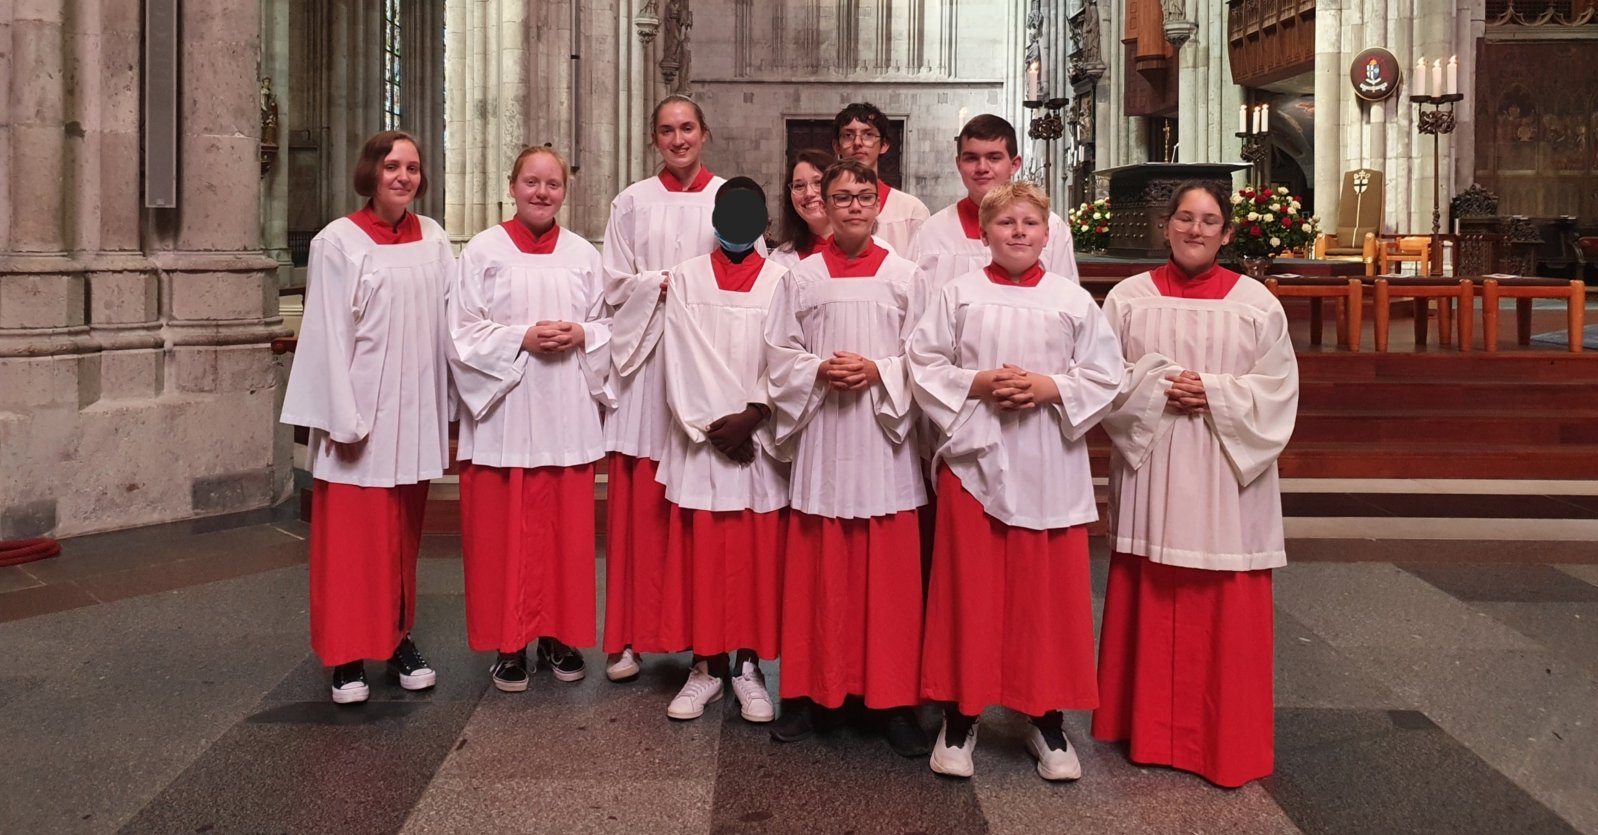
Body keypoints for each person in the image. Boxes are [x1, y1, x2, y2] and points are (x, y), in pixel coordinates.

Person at [907, 181, 1123, 780]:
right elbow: (922, 364)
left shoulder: (1073, 300)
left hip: (1048, 462)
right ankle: (960, 714)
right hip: (973, 464)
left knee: (1044, 597)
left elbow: (1107, 375)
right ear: (984, 232)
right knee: (968, 590)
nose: (1019, 233)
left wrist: (1048, 387)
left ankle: (1045, 718)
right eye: (1007, 224)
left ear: (1048, 235)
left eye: (1030, 223)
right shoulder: (957, 294)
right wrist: (979, 383)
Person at [1092, 180, 1299, 788]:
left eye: (1209, 221)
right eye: (1185, 218)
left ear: (1228, 232)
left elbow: (1279, 390)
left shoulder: (1257, 302)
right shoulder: (1128, 298)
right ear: (1166, 226)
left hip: (1225, 470)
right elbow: (1102, 378)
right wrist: (1159, 386)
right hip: (1154, 462)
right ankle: (1147, 731)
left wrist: (1213, 391)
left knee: (1224, 598)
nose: (1195, 230)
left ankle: (1222, 737)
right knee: (1151, 588)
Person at [281, 130, 453, 705]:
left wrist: (450, 405)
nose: (403, 177)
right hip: (359, 414)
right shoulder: (338, 241)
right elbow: (327, 335)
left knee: (401, 536)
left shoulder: (433, 237)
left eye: (412, 167)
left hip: (415, 411)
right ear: (371, 173)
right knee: (352, 540)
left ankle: (397, 637)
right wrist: (343, 418)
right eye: (392, 167)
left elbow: (449, 323)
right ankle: (347, 655)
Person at [763, 159, 929, 755]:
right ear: (825, 207)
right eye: (841, 197)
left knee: (889, 582)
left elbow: (929, 360)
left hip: (884, 443)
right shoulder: (800, 277)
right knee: (819, 574)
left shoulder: (909, 277)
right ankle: (811, 696)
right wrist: (817, 370)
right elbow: (778, 354)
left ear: (877, 204)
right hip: (826, 441)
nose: (854, 206)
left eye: (863, 196)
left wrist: (879, 370)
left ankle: (894, 703)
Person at [448, 146, 610, 692]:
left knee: (563, 531)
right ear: (512, 185)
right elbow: (461, 332)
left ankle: (559, 637)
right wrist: (522, 336)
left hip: (565, 409)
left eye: (553, 184)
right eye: (531, 182)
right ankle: (509, 643)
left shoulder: (584, 254)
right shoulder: (482, 251)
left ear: (565, 191)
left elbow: (609, 324)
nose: (542, 193)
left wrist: (583, 334)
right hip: (507, 413)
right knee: (505, 531)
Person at [637, 177, 789, 723]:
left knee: (752, 557)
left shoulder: (782, 281)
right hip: (703, 443)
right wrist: (712, 428)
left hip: (757, 442)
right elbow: (679, 358)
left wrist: (755, 416)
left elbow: (788, 360)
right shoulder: (685, 278)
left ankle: (747, 667)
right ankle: (704, 667)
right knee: (703, 556)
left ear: (764, 225)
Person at [602, 95, 726, 684]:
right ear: (655, 139)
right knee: (637, 506)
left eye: (687, 129)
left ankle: (705, 641)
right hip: (646, 365)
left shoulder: (729, 199)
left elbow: (740, 284)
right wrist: (664, 284)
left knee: (696, 504)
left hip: (702, 367)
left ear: (705, 133)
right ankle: (628, 637)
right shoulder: (632, 201)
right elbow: (613, 286)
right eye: (667, 131)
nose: (678, 140)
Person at [910, 114, 1080, 298]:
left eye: (994, 157)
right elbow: (916, 307)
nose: (982, 167)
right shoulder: (933, 231)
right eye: (971, 158)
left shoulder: (1049, 227)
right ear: (958, 164)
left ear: (1014, 164)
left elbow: (1067, 301)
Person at [832, 102, 928, 255]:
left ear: (884, 145)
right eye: (848, 135)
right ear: (836, 146)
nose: (857, 143)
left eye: (868, 135)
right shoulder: (827, 208)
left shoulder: (911, 211)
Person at [768, 149, 841, 271]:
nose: (809, 193)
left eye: (819, 182)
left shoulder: (872, 251)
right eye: (799, 186)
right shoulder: (779, 260)